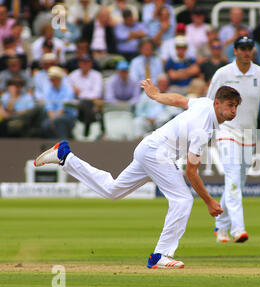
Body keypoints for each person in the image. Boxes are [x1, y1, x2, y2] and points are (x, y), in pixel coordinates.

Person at [34, 80, 242, 269]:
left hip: (148, 148)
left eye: (235, 107)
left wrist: (156, 96)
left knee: (113, 191)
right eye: (229, 105)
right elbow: (191, 171)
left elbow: (180, 100)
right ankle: (161, 255)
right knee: (183, 199)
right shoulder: (203, 129)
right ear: (217, 103)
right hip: (157, 153)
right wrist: (208, 201)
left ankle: (65, 157)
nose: (233, 111)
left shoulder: (204, 103)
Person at [207, 36, 260, 243]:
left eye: (249, 48)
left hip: (250, 134)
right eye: (242, 48)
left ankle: (220, 226)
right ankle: (238, 229)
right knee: (232, 179)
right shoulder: (223, 73)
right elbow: (208, 102)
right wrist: (208, 129)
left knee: (237, 181)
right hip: (226, 131)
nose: (246, 51)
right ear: (235, 51)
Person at [68, 54, 104, 138]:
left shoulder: (97, 75)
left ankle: (85, 131)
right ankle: (97, 129)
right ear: (79, 64)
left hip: (92, 103)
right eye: (83, 62)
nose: (85, 65)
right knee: (85, 104)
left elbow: (97, 93)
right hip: (77, 104)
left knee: (87, 103)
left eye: (87, 62)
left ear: (91, 63)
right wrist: (84, 95)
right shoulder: (73, 75)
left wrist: (80, 93)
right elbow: (70, 92)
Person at [41, 66, 77, 139]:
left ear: (59, 78)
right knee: (45, 125)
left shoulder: (68, 88)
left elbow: (63, 108)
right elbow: (49, 106)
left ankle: (62, 144)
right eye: (51, 79)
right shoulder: (48, 89)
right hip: (53, 116)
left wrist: (54, 120)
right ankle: (51, 145)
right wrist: (52, 118)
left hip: (68, 116)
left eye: (53, 78)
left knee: (59, 121)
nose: (52, 80)